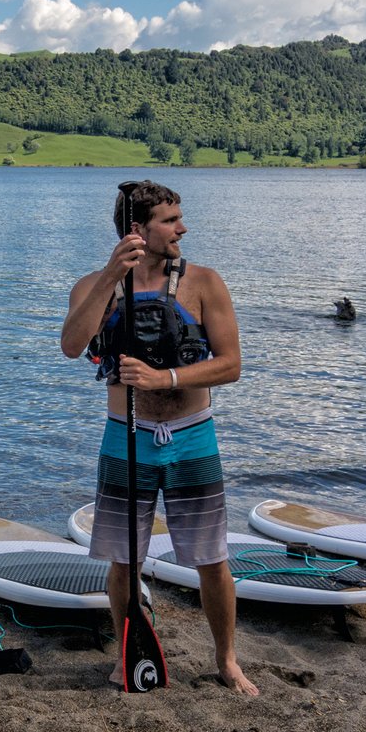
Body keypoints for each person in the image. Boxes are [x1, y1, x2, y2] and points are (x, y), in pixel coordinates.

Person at [59, 180, 258, 697]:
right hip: (125, 438)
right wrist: (110, 274)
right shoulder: (95, 286)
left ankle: (227, 660)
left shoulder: (205, 283)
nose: (182, 228)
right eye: (171, 220)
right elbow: (71, 344)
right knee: (124, 560)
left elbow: (231, 365)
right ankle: (128, 648)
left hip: (193, 438)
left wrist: (164, 379)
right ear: (138, 231)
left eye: (179, 217)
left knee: (212, 559)